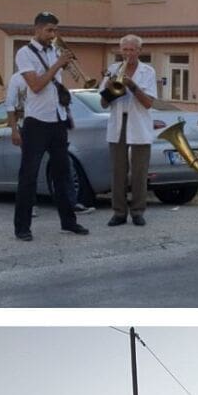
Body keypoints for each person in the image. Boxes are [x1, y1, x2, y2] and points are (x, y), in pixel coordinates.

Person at [14, 12, 89, 241]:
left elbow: (63, 82)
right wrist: (58, 64)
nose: (53, 34)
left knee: (63, 174)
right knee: (28, 176)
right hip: (36, 122)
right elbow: (35, 85)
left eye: (55, 30)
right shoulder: (24, 53)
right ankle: (22, 227)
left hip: (57, 119)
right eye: (49, 30)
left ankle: (69, 222)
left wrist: (66, 63)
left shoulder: (54, 50)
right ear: (36, 30)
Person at [99, 34, 158, 226]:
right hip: (118, 122)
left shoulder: (147, 71)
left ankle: (138, 211)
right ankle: (119, 212)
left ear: (139, 51)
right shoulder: (113, 69)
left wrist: (132, 85)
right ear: (120, 50)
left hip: (139, 123)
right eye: (125, 50)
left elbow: (148, 103)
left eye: (132, 50)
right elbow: (103, 104)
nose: (128, 53)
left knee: (140, 171)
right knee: (118, 171)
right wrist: (110, 88)